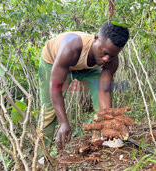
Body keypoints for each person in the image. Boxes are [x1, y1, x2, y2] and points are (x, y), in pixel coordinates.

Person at [39, 21, 129, 150]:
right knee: (49, 109)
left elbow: (103, 91)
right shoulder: (71, 47)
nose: (106, 59)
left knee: (102, 91)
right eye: (104, 53)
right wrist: (63, 123)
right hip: (52, 62)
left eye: (112, 55)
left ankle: (102, 136)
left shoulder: (111, 61)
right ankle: (42, 153)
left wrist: (108, 122)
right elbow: (56, 89)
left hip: (84, 67)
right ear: (96, 38)